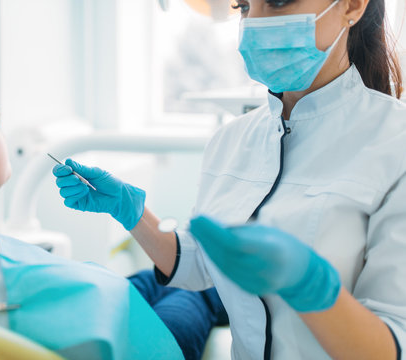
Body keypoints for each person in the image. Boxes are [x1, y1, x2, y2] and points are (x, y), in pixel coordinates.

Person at [53, 0, 406, 359]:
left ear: (352, 5)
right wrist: (132, 213)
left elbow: (394, 344)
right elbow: (200, 267)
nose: (255, 22)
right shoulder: (231, 140)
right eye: (244, 6)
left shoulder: (396, 143)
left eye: (278, 1)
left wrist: (312, 287)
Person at [0, 22, 227, 360]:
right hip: (139, 332)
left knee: (153, 279)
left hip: (112, 304)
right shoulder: (88, 301)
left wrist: (132, 213)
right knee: (204, 291)